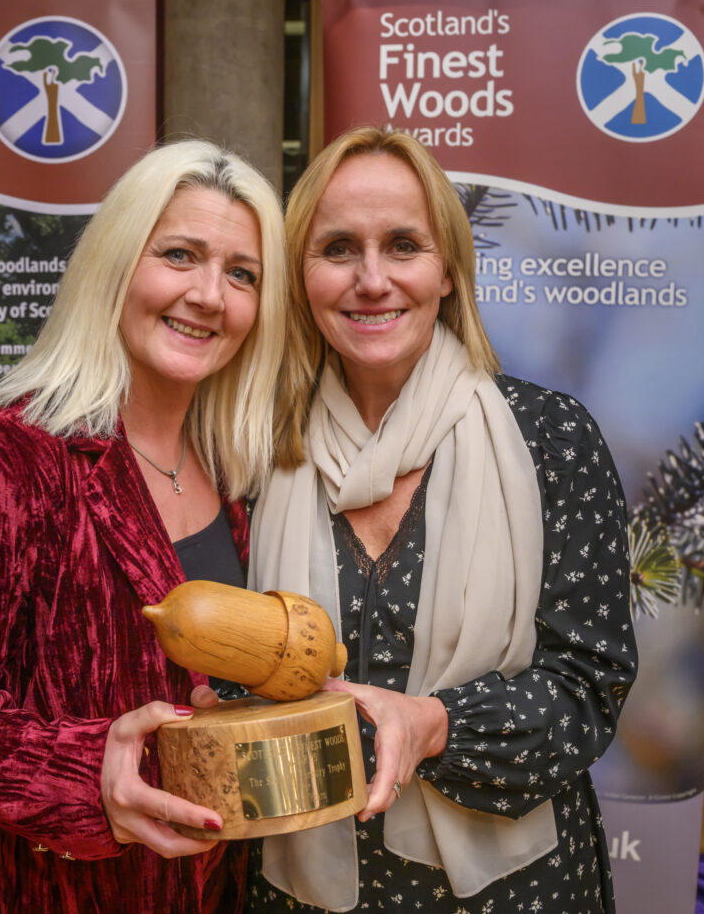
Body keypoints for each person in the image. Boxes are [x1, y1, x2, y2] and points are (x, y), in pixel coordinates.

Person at [0, 140, 295, 914]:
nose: (209, 294)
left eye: (242, 274)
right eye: (179, 254)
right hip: (43, 891)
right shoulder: (4, 461)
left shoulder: (239, 473)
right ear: (115, 264)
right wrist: (88, 770)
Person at [245, 127, 638, 912]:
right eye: (337, 249)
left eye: (403, 245)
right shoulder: (257, 453)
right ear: (301, 274)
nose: (371, 279)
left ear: (450, 268)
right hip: (301, 890)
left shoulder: (550, 439)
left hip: (512, 889)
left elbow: (588, 689)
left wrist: (434, 724)